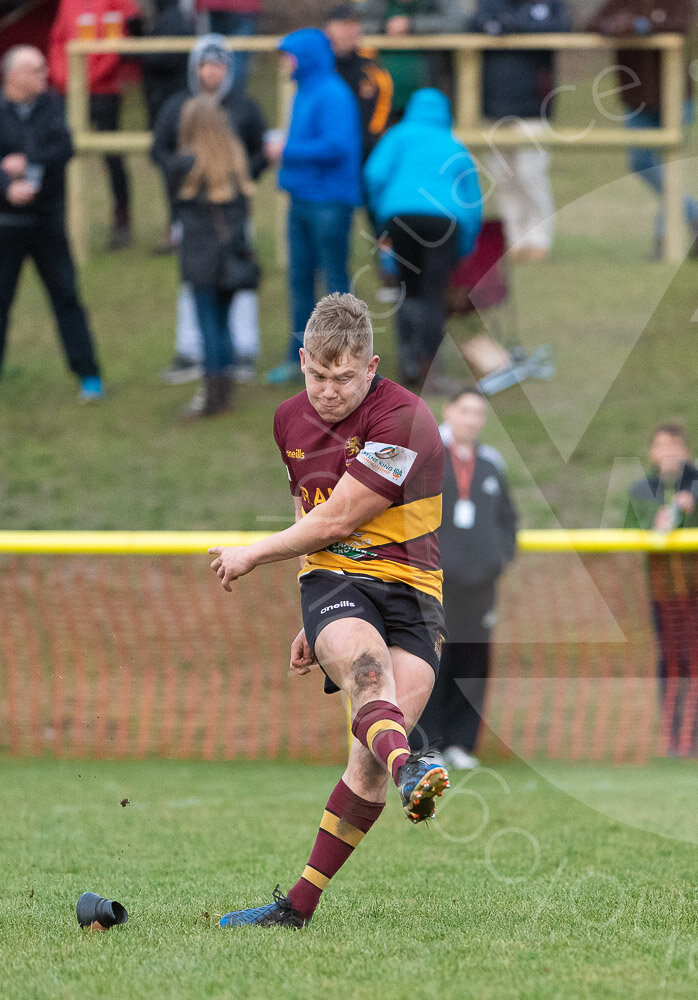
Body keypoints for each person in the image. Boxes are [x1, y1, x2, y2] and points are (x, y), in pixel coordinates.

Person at [209, 292, 450, 929]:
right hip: (337, 580)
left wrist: (251, 554)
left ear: (371, 368)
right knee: (371, 681)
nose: (328, 391)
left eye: (344, 378)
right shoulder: (288, 419)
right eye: (317, 374)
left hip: (416, 594)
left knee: (367, 760)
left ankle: (297, 908)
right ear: (302, 361)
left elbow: (341, 514)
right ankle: (415, 765)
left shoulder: (406, 418)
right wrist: (311, 613)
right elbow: (310, 515)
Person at [152, 33, 269, 385]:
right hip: (192, 215)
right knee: (196, 285)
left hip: (231, 214)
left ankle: (242, 349)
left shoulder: (244, 108)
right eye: (205, 65)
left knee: (237, 279)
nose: (211, 73)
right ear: (195, 68)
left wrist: (241, 174)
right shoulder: (178, 107)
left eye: (218, 65)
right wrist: (183, 172)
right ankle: (191, 350)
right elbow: (159, 149)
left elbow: (259, 150)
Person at [415, 388, 518, 771]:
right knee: (430, 656)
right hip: (433, 581)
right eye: (465, 411)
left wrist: (499, 557)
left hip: (480, 585)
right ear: (448, 411)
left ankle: (462, 742)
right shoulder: (426, 457)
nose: (472, 419)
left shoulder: (491, 463)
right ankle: (428, 742)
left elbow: (508, 519)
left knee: (472, 659)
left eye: (479, 413)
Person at [0, 46, 104, 401]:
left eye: (44, 69)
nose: (44, 75)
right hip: (6, 225)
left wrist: (27, 162)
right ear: (12, 76)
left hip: (46, 223)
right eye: (35, 69)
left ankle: (89, 375)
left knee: (67, 297)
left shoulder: (51, 105)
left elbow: (64, 148)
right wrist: (7, 185)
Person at [263, 27, 363, 386]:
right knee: (299, 279)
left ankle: (344, 360)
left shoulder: (332, 94)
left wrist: (286, 150)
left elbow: (337, 146)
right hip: (302, 198)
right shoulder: (304, 92)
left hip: (330, 202)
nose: (285, 64)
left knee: (333, 284)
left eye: (289, 55)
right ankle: (300, 359)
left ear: (305, 56)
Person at [363, 87, 482, 389]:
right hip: (446, 223)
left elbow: (373, 176)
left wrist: (382, 218)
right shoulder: (454, 144)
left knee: (407, 289)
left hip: (400, 219)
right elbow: (472, 201)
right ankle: (431, 368)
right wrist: (464, 246)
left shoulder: (397, 135)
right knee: (433, 295)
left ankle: (407, 363)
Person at [587, 0, 698, 259]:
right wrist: (611, 26)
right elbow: (592, 24)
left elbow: (681, 25)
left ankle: (664, 242)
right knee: (641, 162)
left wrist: (639, 26)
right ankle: (697, 214)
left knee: (670, 167)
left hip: (676, 94)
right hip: (635, 97)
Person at [624, 422, 698, 757]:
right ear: (652, 452)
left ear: (686, 451)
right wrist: (655, 520)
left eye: (675, 446)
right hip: (662, 589)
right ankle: (670, 734)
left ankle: (690, 736)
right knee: (669, 658)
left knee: (692, 656)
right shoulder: (641, 488)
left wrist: (693, 506)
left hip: (697, 588)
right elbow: (630, 526)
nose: (668, 453)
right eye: (661, 446)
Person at [162, 94, 255, 417]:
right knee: (224, 323)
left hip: (200, 255)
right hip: (231, 255)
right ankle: (224, 391)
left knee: (207, 325)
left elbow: (174, 202)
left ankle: (211, 395)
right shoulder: (236, 160)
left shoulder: (184, 165)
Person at [468, 0, 570, 263]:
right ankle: (514, 238)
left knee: (530, 172)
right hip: (495, 104)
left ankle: (539, 238)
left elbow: (562, 26)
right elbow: (474, 23)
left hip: (534, 104)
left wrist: (512, 27)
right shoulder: (490, 3)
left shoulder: (548, 3)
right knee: (503, 176)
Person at [48, 0, 140, 249]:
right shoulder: (68, 3)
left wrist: (88, 79)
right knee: (58, 153)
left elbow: (119, 41)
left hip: (104, 90)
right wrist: (64, 78)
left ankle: (122, 217)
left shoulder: (119, 2)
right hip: (68, 89)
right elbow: (58, 39)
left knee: (111, 155)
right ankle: (59, 219)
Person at [138, 0, 193, 253]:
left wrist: (135, 49)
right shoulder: (166, 18)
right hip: (164, 107)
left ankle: (180, 230)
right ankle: (177, 230)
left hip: (173, 110)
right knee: (170, 172)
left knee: (177, 173)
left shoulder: (174, 20)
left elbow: (165, 57)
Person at [326, 3, 393, 162]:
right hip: (328, 150)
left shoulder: (371, 68)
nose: (350, 31)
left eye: (354, 25)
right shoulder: (322, 67)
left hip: (365, 151)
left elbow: (383, 106)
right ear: (329, 28)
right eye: (344, 25)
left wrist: (371, 140)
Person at [195, 0, 259, 91]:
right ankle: (229, 101)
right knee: (234, 60)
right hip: (240, 8)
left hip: (213, 7)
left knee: (209, 57)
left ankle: (216, 102)